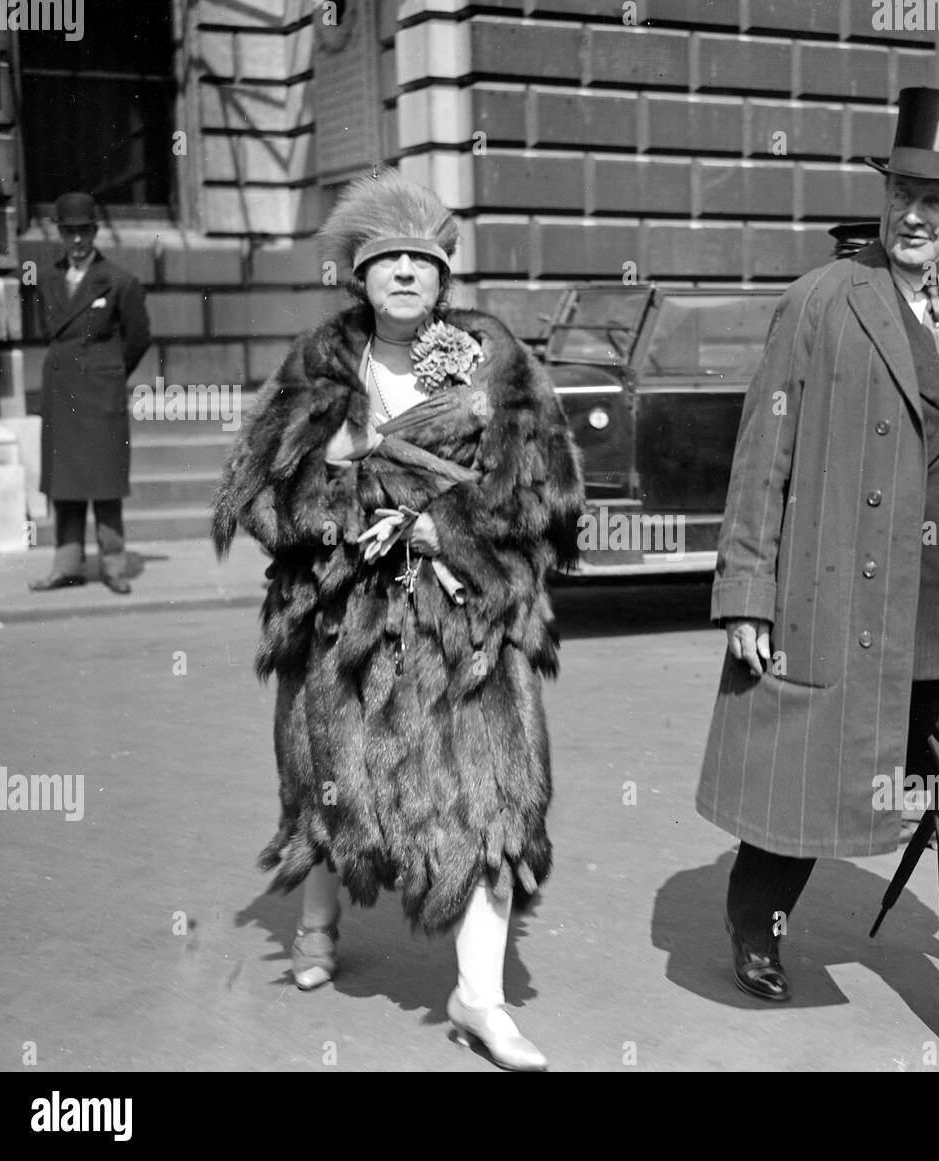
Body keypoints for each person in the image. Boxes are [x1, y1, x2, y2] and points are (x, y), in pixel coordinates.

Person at [696, 88, 939, 1072]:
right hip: (852, 602)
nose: (916, 215)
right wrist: (745, 588)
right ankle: (755, 914)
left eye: (937, 202)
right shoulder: (822, 303)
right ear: (884, 199)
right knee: (813, 788)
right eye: (904, 192)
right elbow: (762, 453)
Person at [212, 170, 584, 1071]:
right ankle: (318, 917)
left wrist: (443, 526)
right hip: (348, 619)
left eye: (423, 259)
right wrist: (337, 486)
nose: (408, 273)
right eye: (389, 261)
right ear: (358, 277)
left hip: (463, 621)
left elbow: (549, 497)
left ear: (443, 274)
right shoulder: (319, 366)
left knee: (494, 806)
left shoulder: (494, 360)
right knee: (339, 789)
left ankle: (481, 1000)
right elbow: (257, 497)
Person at [28, 192, 151, 594]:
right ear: (60, 234)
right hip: (62, 393)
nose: (77, 241)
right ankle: (67, 564)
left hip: (100, 395)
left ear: (95, 232)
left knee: (105, 482)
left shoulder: (119, 280)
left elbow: (139, 337)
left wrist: (110, 373)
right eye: (69, 232)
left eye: (84, 231)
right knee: (65, 482)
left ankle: (114, 566)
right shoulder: (46, 279)